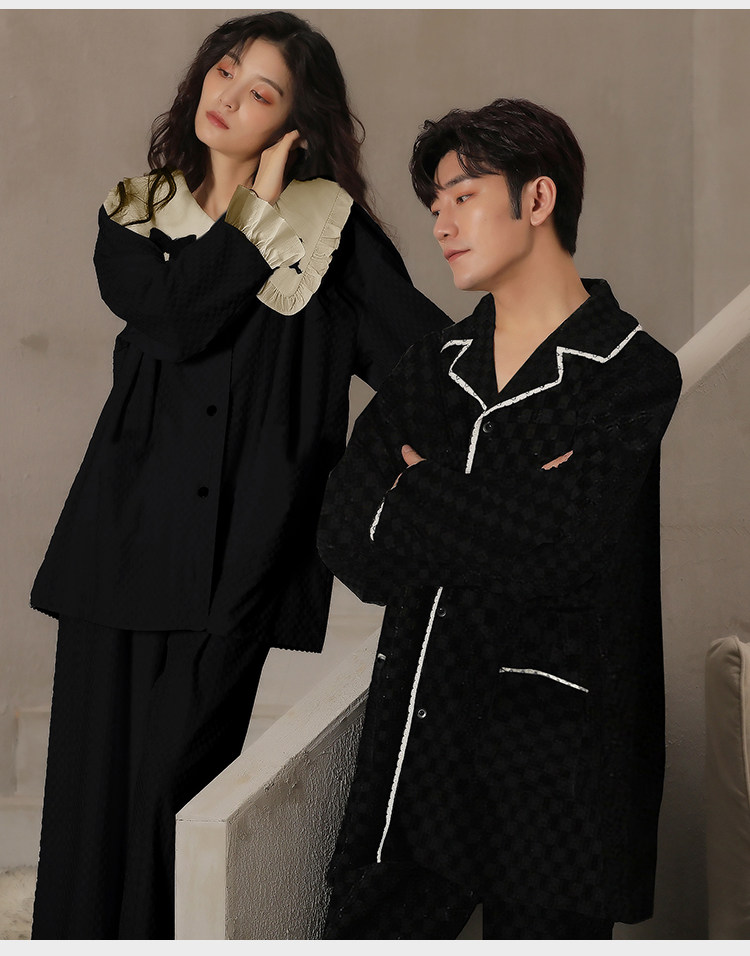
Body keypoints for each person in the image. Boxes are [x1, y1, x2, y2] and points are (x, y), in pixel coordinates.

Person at [29, 12, 448, 940]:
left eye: (262, 91)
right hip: (117, 549)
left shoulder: (328, 231)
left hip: (238, 563)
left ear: (294, 124)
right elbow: (176, 322)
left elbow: (424, 365)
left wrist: (424, 450)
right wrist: (251, 213)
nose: (229, 95)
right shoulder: (137, 212)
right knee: (93, 814)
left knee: (173, 803)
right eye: (225, 70)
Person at [318, 97, 682, 939]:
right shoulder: (431, 365)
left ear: (538, 198)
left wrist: (418, 489)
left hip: (552, 766)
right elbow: (347, 539)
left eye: (463, 195)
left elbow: (567, 546)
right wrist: (508, 504)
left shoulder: (629, 370)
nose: (441, 223)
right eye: (434, 204)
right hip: (418, 745)